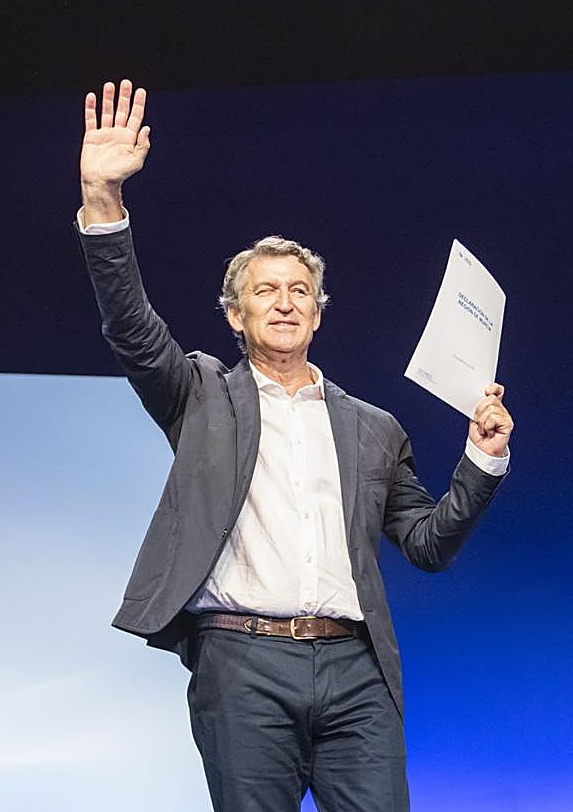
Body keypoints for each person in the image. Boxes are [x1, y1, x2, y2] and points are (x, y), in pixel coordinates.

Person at [76, 79, 513, 812]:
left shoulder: (373, 426)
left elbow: (428, 543)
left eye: (300, 290)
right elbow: (129, 323)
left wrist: (483, 457)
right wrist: (103, 200)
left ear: (318, 312)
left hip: (355, 669)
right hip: (242, 662)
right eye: (266, 290)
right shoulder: (200, 393)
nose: (285, 301)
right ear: (235, 315)